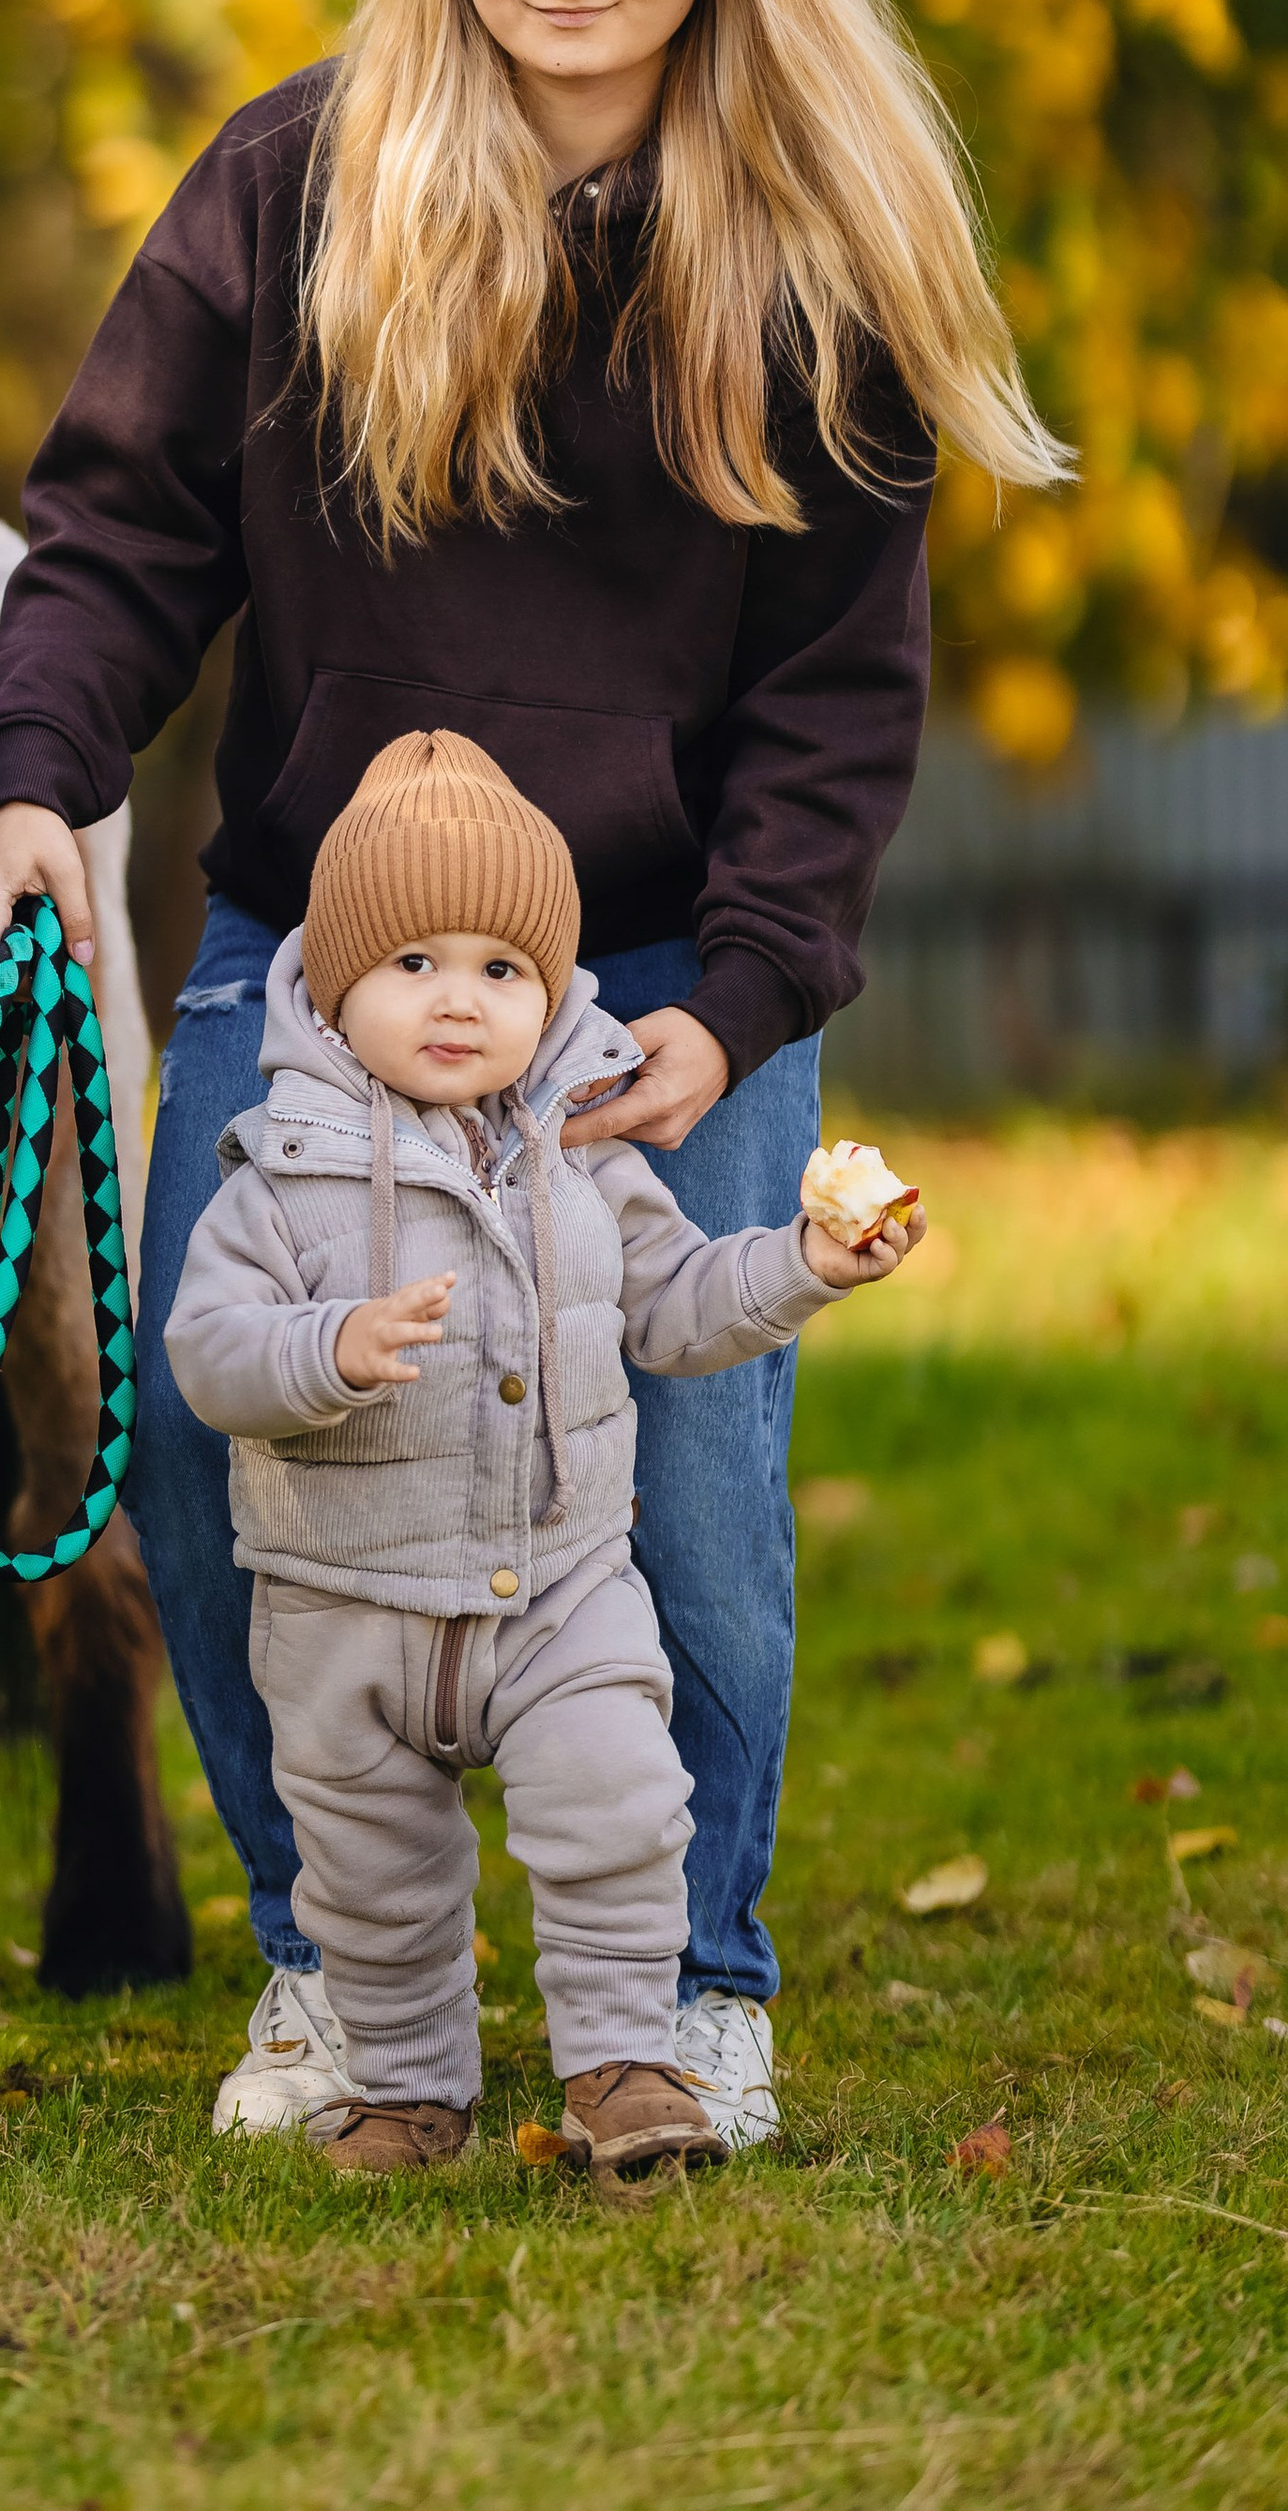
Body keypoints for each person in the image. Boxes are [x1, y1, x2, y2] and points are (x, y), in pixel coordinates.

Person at [0, 0, 1065, 2148]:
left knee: (677, 1466)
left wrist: (750, 994)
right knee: (217, 1435)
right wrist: (37, 777)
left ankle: (684, 1980)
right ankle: (336, 1974)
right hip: (307, 956)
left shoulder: (810, 258)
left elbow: (831, 698)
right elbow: (118, 533)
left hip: (661, 966)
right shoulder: (291, 186)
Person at [167, 731, 920, 2175]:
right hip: (347, 1606)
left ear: (554, 993)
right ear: (334, 982)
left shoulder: (583, 1159)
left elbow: (682, 1302)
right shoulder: (273, 1168)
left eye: (503, 969)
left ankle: (627, 2070)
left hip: (562, 1585)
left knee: (621, 1812)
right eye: (414, 966)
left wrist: (809, 1264)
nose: (460, 1000)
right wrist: (325, 1353)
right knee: (375, 1876)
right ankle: (407, 2091)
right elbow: (209, 1351)